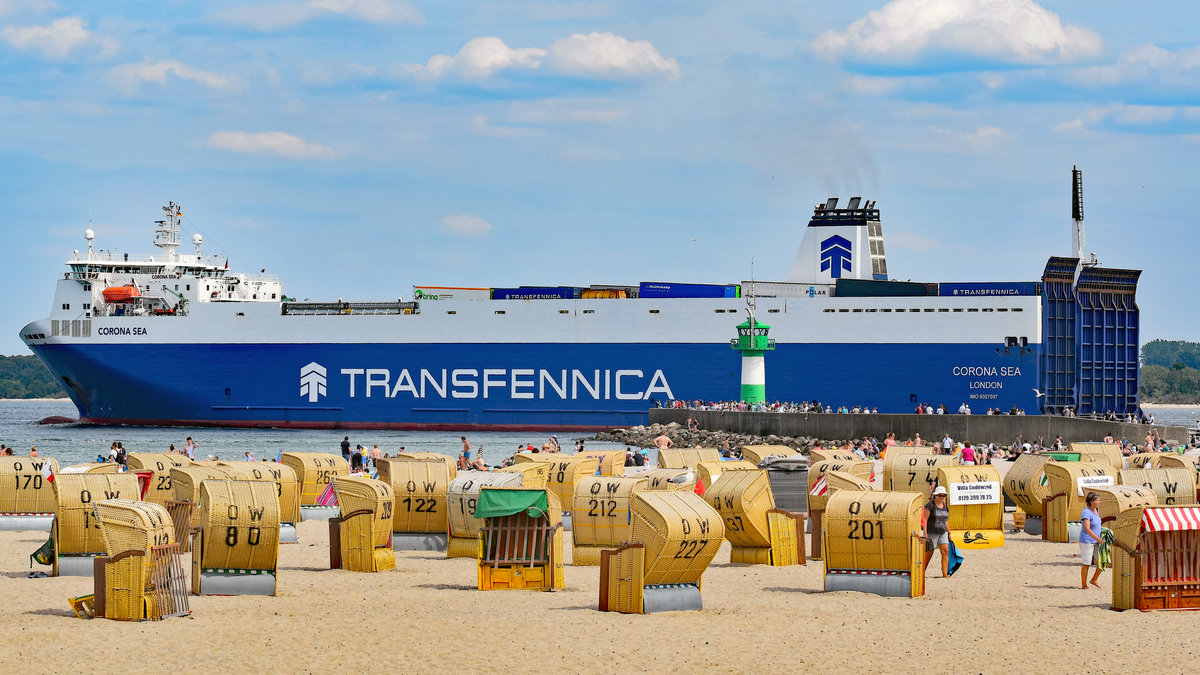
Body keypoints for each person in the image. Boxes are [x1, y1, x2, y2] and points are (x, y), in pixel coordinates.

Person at [922, 486, 952, 578]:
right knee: (929, 553)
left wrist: (949, 532)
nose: (942, 497)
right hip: (932, 533)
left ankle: (944, 574)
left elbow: (945, 521)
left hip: (942, 532)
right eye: (940, 495)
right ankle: (922, 572)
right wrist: (925, 533)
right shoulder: (930, 505)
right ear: (935, 496)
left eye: (943, 496)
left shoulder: (945, 506)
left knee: (945, 552)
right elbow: (925, 520)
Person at [1079, 492, 1104, 589]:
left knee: (1102, 562)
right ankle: (1084, 585)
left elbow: (1098, 525)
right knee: (1087, 563)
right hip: (1087, 541)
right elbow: (1087, 528)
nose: (1099, 502)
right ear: (1091, 502)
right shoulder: (1086, 512)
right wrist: (1097, 538)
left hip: (1096, 541)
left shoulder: (1097, 510)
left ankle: (1094, 579)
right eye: (1098, 500)